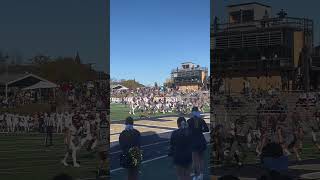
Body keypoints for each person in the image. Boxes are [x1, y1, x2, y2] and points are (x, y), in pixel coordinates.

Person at [187, 107, 209, 180]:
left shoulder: (189, 121)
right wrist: (200, 130)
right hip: (201, 140)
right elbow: (207, 129)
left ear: (192, 112)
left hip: (194, 141)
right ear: (197, 111)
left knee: (195, 160)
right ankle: (201, 175)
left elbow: (188, 132)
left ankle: (196, 175)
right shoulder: (201, 120)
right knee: (201, 159)